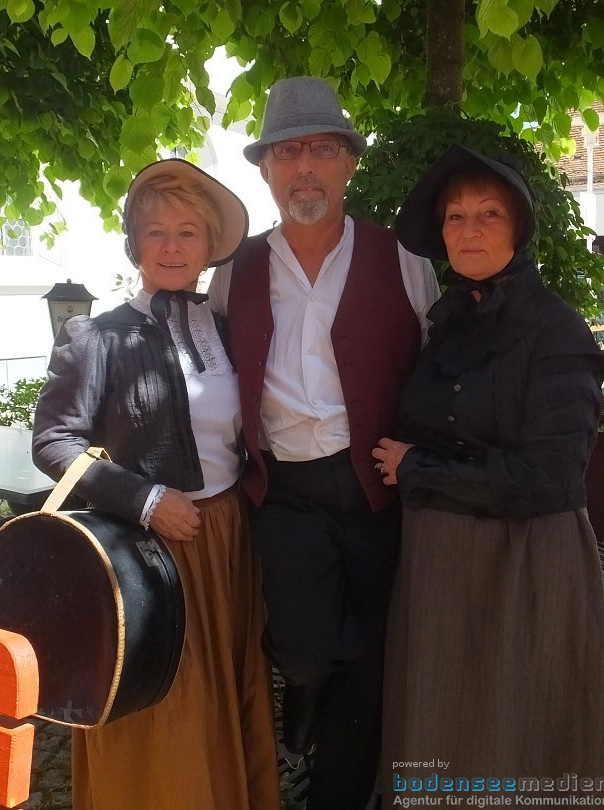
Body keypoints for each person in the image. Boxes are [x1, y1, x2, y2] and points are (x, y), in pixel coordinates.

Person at [207, 76, 440, 810]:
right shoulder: (234, 269)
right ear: (268, 171)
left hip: (376, 484)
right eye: (286, 152)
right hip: (287, 490)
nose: (303, 166)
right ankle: (307, 692)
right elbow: (211, 371)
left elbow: (437, 367)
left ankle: (339, 794)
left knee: (371, 661)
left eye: (320, 150)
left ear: (347, 164)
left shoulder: (403, 259)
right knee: (305, 645)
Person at [371, 144, 604, 806]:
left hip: (524, 566)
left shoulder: (556, 331)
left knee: (516, 731)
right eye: (454, 217)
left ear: (517, 226)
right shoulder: (448, 323)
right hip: (441, 563)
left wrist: (419, 469)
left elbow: (550, 477)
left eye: (488, 212)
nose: (469, 228)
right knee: (444, 726)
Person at [32, 159, 281, 810]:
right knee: (164, 709)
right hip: (150, 552)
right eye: (156, 233)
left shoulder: (221, 327)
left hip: (227, 540)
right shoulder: (95, 337)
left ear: (207, 247)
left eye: (188, 233)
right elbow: (53, 442)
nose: (172, 247)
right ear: (134, 245)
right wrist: (145, 501)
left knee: (228, 691)